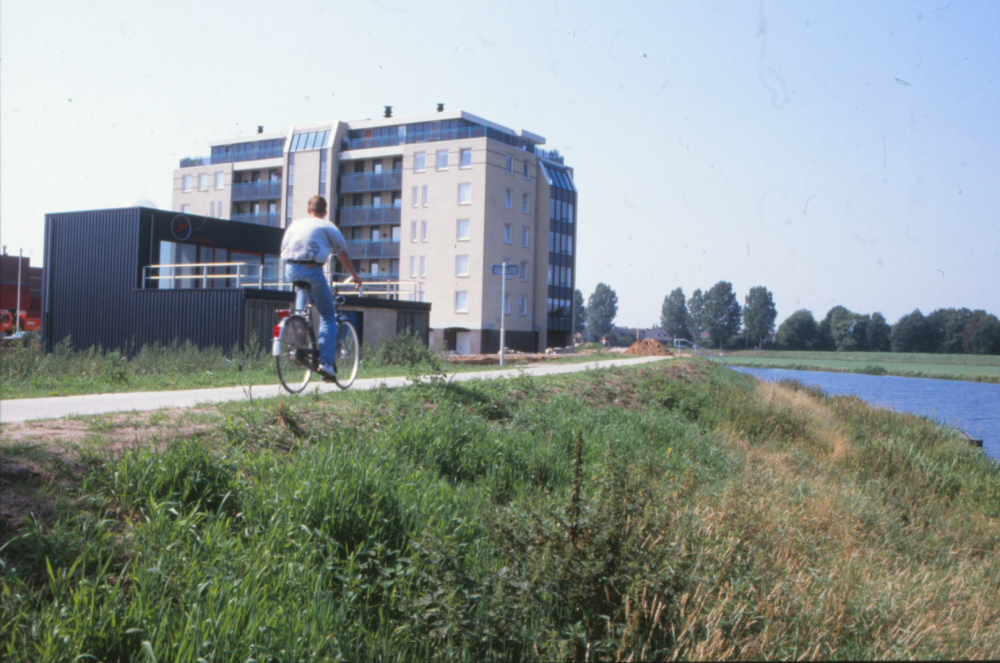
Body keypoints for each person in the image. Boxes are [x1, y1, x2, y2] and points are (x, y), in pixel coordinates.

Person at [281, 195, 362, 381]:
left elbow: (283, 249)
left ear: (308, 210)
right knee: (327, 315)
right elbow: (342, 253)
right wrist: (355, 276)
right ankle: (326, 363)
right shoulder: (327, 226)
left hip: (290, 270)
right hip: (312, 269)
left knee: (302, 293)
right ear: (324, 212)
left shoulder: (294, 225)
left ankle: (298, 329)